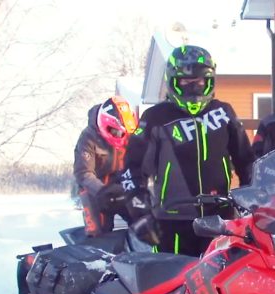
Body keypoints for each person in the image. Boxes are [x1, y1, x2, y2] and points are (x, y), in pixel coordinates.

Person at [122, 45, 255, 256]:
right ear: (173, 81)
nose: (193, 88)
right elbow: (132, 170)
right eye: (185, 82)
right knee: (174, 276)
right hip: (172, 222)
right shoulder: (155, 118)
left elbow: (246, 161)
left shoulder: (223, 112)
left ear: (209, 81)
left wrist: (255, 201)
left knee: (226, 275)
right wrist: (140, 214)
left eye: (199, 82)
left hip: (221, 219)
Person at [73, 96, 137, 236]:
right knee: (97, 232)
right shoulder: (88, 138)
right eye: (116, 132)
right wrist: (103, 190)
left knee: (143, 223)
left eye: (125, 133)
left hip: (123, 187)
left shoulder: (130, 136)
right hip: (95, 190)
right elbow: (83, 173)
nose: (121, 137)